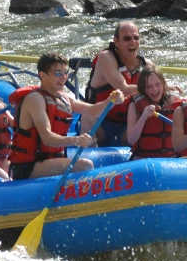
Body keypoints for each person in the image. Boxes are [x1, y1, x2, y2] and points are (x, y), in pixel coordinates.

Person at [9, 52, 125, 180]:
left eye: (65, 72)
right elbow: (47, 137)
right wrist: (75, 140)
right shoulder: (35, 99)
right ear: (43, 75)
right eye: (58, 73)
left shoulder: (64, 97)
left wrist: (111, 101)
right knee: (85, 165)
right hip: (28, 167)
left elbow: (93, 111)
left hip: (51, 160)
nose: (64, 77)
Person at [83, 21, 152, 147]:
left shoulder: (147, 65)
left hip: (127, 128)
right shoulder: (105, 57)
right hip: (99, 126)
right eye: (127, 38)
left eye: (136, 38)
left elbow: (160, 94)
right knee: (86, 115)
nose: (132, 42)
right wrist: (155, 89)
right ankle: (87, 158)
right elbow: (124, 89)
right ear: (116, 42)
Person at [126, 65, 184, 160]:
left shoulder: (176, 104)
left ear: (163, 84)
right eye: (149, 86)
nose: (155, 90)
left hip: (170, 160)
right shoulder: (135, 106)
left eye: (158, 84)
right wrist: (143, 117)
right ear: (143, 88)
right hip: (143, 159)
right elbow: (131, 140)